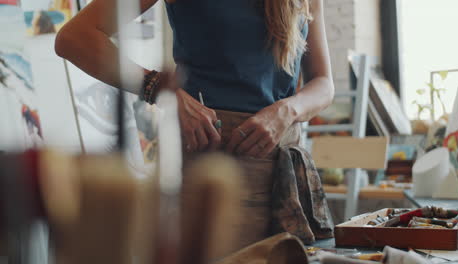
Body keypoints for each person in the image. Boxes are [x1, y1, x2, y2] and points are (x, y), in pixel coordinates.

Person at [55, 0, 335, 252]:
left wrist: (287, 110)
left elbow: (323, 83)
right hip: (206, 166)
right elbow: (74, 38)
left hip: (286, 180)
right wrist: (158, 88)